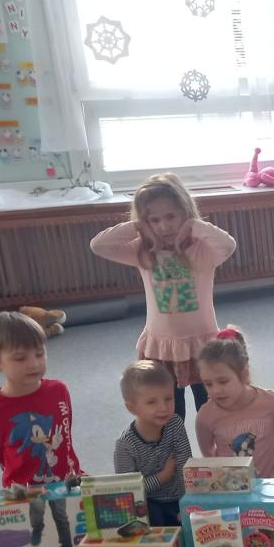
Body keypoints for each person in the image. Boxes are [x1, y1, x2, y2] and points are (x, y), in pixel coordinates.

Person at [89, 172, 237, 423]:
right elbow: (98, 245)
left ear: (184, 213)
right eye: (154, 220)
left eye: (171, 217)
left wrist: (193, 225)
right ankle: (175, 449)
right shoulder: (142, 250)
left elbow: (228, 245)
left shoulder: (203, 249)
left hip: (201, 345)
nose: (164, 226)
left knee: (212, 409)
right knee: (170, 414)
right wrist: (137, 226)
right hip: (161, 347)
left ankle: (216, 448)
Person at [0, 311, 81, 547]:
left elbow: (66, 437)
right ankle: (37, 536)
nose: (34, 364)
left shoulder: (59, 390)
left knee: (66, 520)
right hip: (23, 487)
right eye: (20, 358)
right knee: (35, 526)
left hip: (65, 480)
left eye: (40, 354)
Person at [194, 327, 274, 477]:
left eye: (223, 381)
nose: (216, 390)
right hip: (230, 486)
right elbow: (208, 452)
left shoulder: (272, 403)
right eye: (208, 384)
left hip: (268, 484)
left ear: (244, 375)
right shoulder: (205, 416)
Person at [113, 360, 192, 527]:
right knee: (152, 520)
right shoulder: (125, 445)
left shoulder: (175, 424)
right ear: (132, 408)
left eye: (168, 399)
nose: (163, 407)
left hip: (177, 497)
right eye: (152, 402)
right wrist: (163, 476)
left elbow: (185, 468)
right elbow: (128, 491)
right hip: (147, 502)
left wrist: (186, 504)